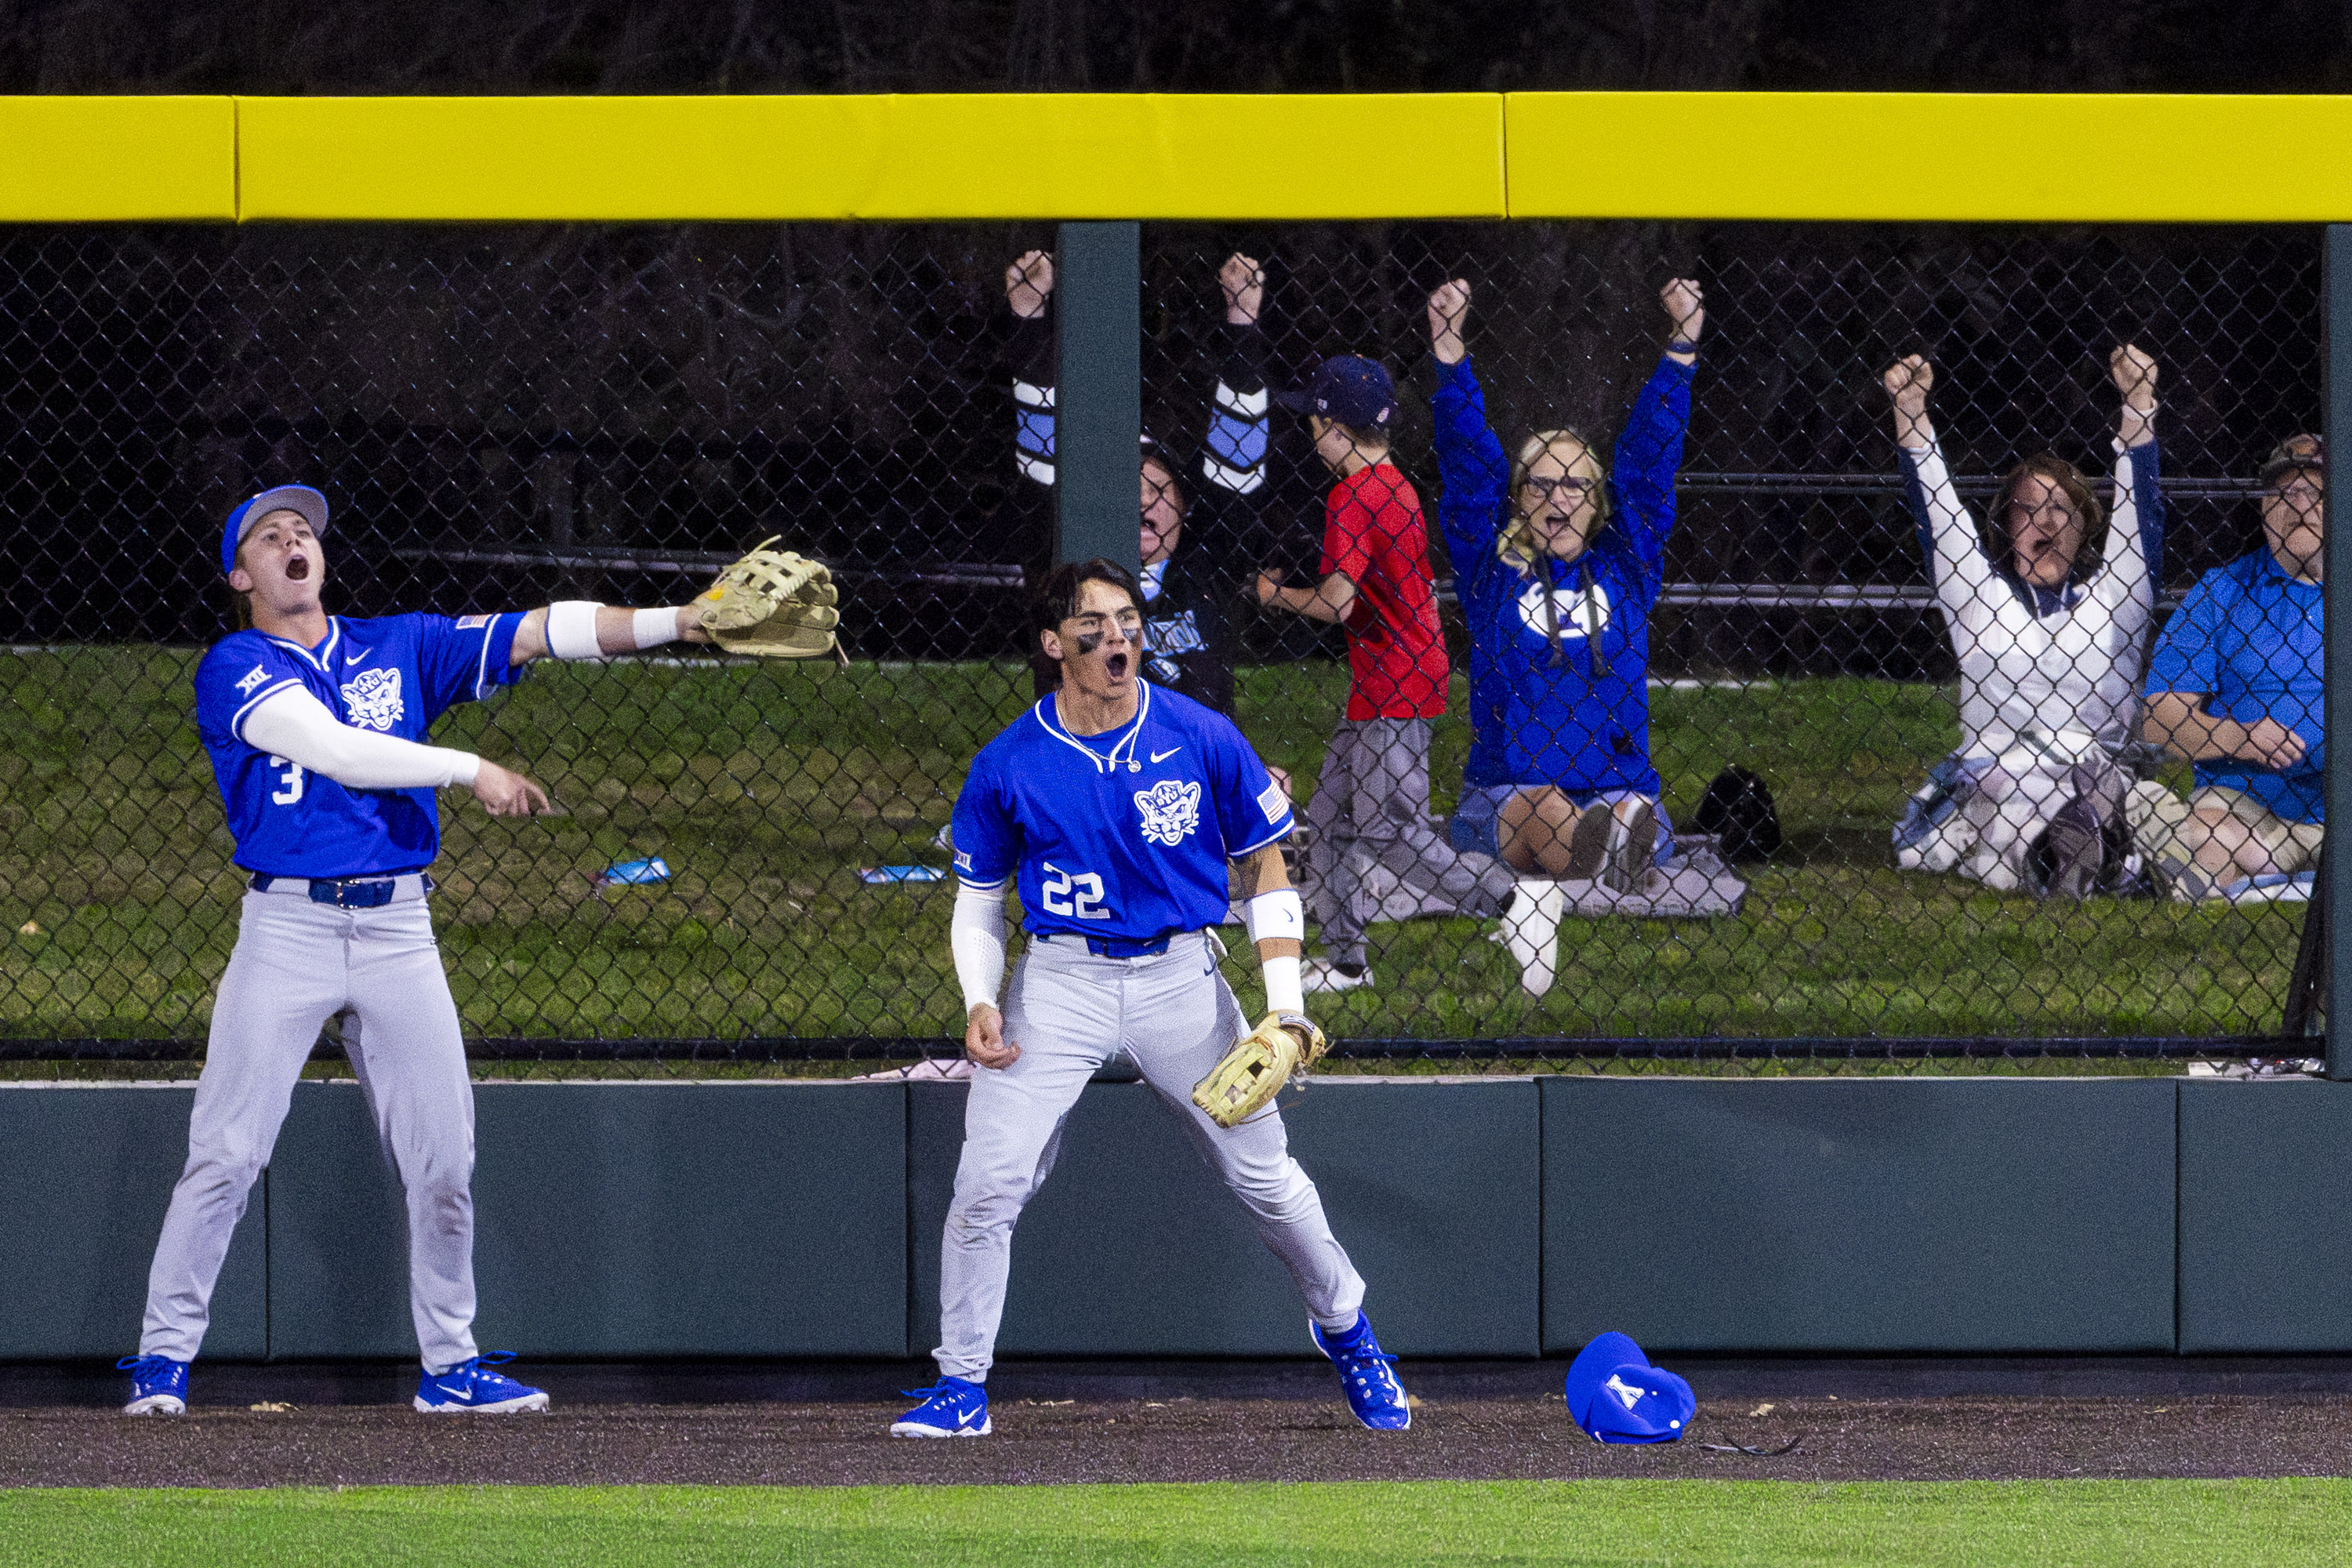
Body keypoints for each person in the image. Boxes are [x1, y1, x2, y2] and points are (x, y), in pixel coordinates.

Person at [121, 484, 725, 1417]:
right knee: (227, 1154)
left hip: (400, 925)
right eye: (269, 536)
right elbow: (339, 751)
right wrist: (469, 767)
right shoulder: (234, 663)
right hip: (289, 927)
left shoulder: (393, 644)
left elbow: (541, 628)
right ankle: (163, 1361)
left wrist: (676, 620)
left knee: (444, 1159)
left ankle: (450, 1364)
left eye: (304, 532)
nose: (294, 541)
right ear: (242, 575)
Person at [896, 559, 1408, 1439]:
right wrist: (981, 998)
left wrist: (1284, 1006)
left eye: (1129, 618)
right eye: (1093, 623)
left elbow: (1266, 865)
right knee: (990, 1178)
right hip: (1060, 979)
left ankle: (1349, 1331)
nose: (1118, 636)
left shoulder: (1201, 734)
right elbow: (979, 899)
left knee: (1266, 1178)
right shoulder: (1008, 762)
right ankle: (961, 1383)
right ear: (1056, 643)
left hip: (1180, 976)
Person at [1425, 275, 1703, 995]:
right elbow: (1467, 468)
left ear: (1596, 500)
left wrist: (1680, 350)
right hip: (1513, 788)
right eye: (1540, 485)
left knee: (1627, 813)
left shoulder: (1627, 566)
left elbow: (1650, 468)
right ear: (1518, 498)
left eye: (1575, 485)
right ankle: (1599, 854)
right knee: (1548, 809)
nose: (1557, 499)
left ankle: (1607, 847)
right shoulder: (1493, 571)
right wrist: (1450, 354)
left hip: (1619, 785)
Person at [1257, 355, 1517, 993]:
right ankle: (1348, 961)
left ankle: (1512, 904)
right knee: (1329, 822)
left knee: (1389, 829)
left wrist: (1276, 596)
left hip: (1394, 683)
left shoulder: (1351, 494)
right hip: (1396, 672)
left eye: (1316, 422)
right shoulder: (1396, 483)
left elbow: (1337, 601)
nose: (1312, 435)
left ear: (1335, 428)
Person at [1883, 345, 2166, 897]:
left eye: (2063, 508)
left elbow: (2143, 518)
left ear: (2085, 527)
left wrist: (2137, 408)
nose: (2046, 519)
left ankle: (2063, 858)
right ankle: (2078, 862)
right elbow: (1936, 514)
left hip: (2091, 770)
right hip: (1999, 772)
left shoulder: (2115, 598)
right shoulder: (1980, 596)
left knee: (2065, 808)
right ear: (2006, 524)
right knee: (2005, 806)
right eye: (2029, 506)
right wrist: (1912, 415)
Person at [1006, 249, 1274, 718]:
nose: (1142, 502)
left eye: (1158, 488)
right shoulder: (1070, 571)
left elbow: (1235, 469)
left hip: (1188, 769)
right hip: (1089, 769)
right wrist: (1029, 318)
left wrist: (1243, 323)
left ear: (1186, 506)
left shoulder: (1206, 567)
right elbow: (1039, 468)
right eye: (1127, 488)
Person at [2137, 434, 2326, 896]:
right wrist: (2240, 737)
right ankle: (2189, 857)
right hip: (2240, 809)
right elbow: (2159, 721)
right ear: (2264, 510)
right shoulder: (2221, 591)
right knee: (2210, 842)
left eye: (2315, 491)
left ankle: (2164, 839)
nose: (2298, 502)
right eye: (2283, 492)